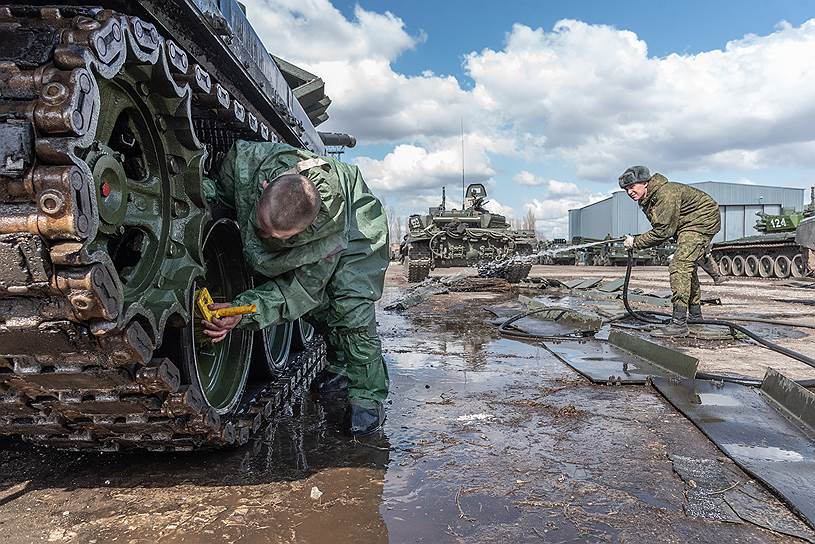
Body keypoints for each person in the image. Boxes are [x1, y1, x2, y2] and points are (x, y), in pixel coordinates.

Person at [201, 140, 390, 436]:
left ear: (306, 230)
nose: (264, 235)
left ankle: (368, 394)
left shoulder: (325, 240)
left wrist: (244, 312)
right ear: (264, 186)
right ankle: (340, 365)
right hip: (288, 204)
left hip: (356, 230)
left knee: (348, 310)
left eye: (277, 236)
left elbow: (299, 291)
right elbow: (224, 194)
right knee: (316, 315)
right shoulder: (246, 164)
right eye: (262, 227)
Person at [618, 165, 724, 337]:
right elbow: (663, 227)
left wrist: (635, 242)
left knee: (679, 266)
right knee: (688, 269)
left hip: (700, 222)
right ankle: (695, 317)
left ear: (645, 183)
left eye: (632, 187)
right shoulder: (648, 199)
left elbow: (662, 232)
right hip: (686, 225)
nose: (629, 192)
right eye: (626, 189)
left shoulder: (664, 194)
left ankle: (679, 323)